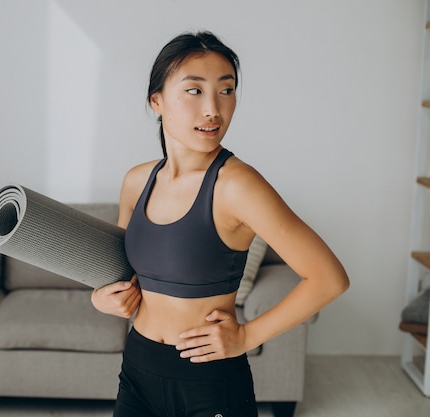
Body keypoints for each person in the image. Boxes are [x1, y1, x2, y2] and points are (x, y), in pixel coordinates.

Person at [91, 31, 350, 417]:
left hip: (208, 380)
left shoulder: (238, 185)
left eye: (226, 91)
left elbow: (330, 278)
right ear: (157, 101)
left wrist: (247, 335)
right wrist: (100, 298)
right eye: (194, 91)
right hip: (138, 367)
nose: (213, 108)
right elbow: (125, 273)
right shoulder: (136, 181)